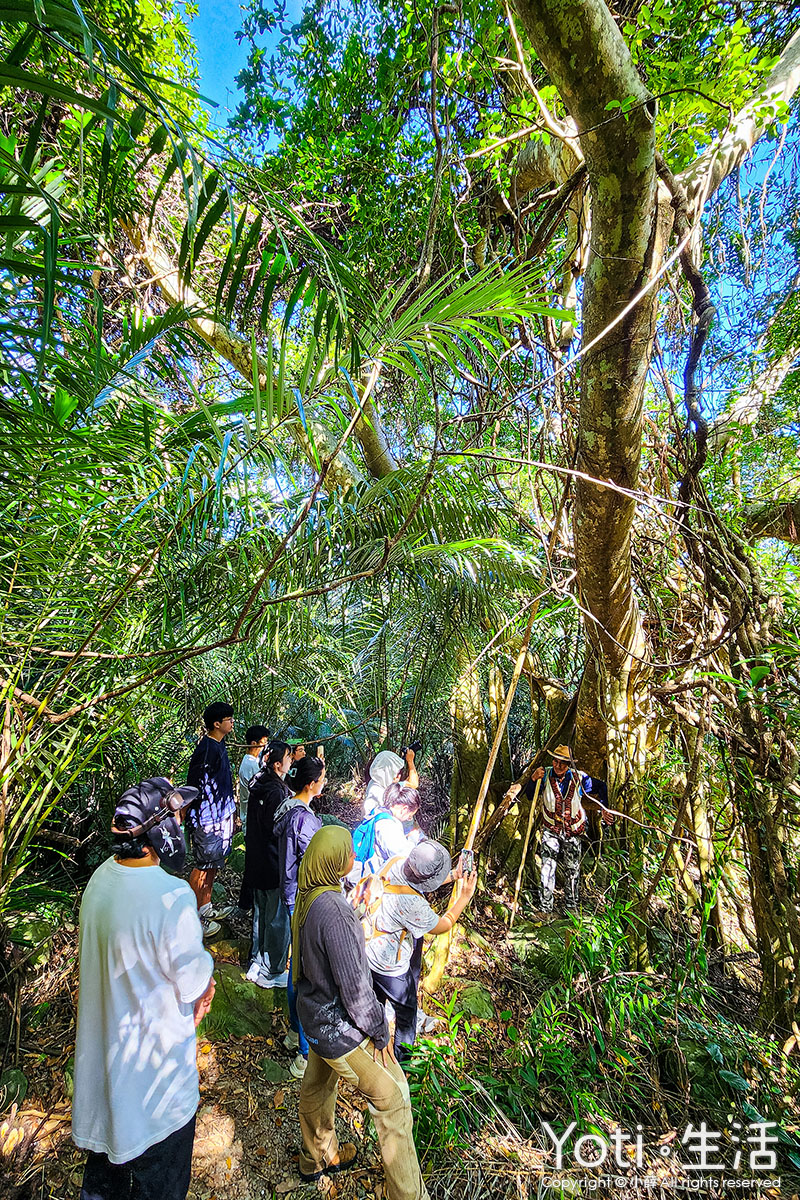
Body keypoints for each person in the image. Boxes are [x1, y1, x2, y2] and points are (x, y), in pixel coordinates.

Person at [72, 777, 215, 1200]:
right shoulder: (170, 897)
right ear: (161, 833)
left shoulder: (99, 880)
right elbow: (193, 985)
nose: (184, 822)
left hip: (105, 1090)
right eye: (178, 816)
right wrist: (205, 984)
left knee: (104, 1185)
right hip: (157, 1098)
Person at [292, 826, 430, 1200]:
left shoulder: (310, 895)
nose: (355, 857)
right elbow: (355, 988)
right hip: (339, 1026)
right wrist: (380, 1030)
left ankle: (317, 1156)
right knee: (394, 1099)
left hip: (314, 1016)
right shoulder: (334, 911)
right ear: (335, 861)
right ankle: (407, 1194)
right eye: (348, 853)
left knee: (318, 1086)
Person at [363, 841, 477, 1062]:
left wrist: (454, 875)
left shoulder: (395, 862)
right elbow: (442, 925)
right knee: (406, 1014)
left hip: (366, 950)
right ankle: (402, 1063)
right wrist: (463, 898)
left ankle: (370, 1049)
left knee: (375, 1003)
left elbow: (414, 882)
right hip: (389, 967)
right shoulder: (413, 905)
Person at [274, 755, 325, 1077]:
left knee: (297, 968)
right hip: (303, 899)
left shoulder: (288, 807)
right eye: (322, 778)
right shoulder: (305, 821)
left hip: (289, 894)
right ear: (310, 784)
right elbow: (315, 860)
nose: (324, 782)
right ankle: (305, 1053)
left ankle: (295, 1032)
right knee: (303, 973)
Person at [242, 739, 293, 989]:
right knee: (276, 917)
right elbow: (278, 830)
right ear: (276, 764)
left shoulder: (259, 783)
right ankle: (271, 970)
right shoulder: (276, 791)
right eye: (288, 758)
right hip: (274, 863)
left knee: (261, 914)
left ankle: (257, 960)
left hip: (256, 860)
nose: (291, 761)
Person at [530, 743, 605, 913]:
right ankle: (545, 908)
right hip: (551, 829)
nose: (558, 766)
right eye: (556, 761)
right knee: (547, 868)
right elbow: (529, 794)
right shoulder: (545, 774)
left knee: (572, 870)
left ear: (569, 765)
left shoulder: (579, 778)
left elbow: (601, 787)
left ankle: (571, 908)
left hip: (573, 831)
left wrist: (604, 808)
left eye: (563, 763)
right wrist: (533, 779)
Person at [185, 701, 237, 937]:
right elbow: (195, 785)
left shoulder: (219, 744)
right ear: (216, 724)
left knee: (213, 864)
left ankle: (205, 907)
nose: (232, 722)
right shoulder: (206, 749)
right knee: (202, 866)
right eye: (228, 719)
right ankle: (192, 917)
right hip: (207, 819)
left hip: (221, 815)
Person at [348, 783, 424, 884]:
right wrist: (413, 840)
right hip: (367, 880)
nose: (408, 819)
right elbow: (402, 855)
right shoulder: (388, 825)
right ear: (404, 809)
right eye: (410, 816)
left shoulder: (378, 812)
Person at [363, 748, 418, 817]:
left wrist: (410, 761)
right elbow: (370, 814)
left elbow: (413, 784)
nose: (399, 776)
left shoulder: (384, 783)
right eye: (397, 773)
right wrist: (410, 762)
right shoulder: (376, 791)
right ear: (388, 773)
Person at [238, 724, 270, 834]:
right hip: (252, 819)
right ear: (253, 744)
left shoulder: (254, 762)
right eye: (263, 743)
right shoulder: (250, 764)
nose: (265, 747)